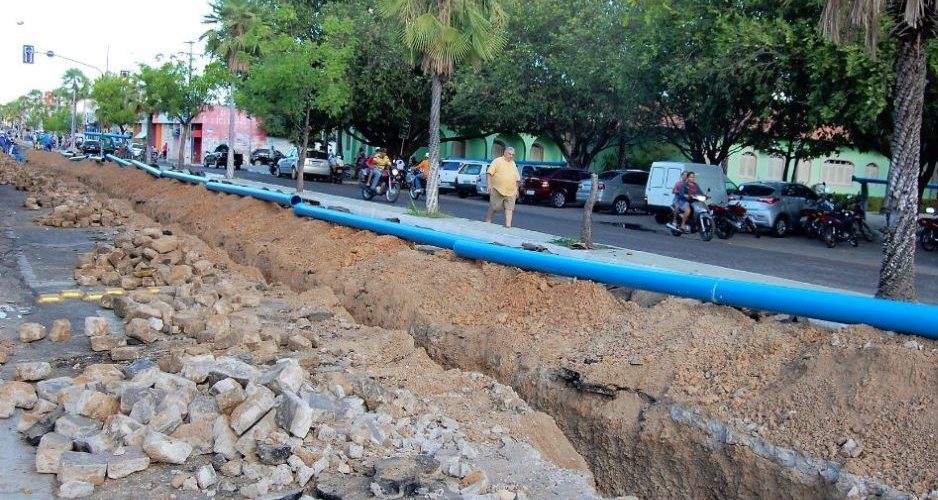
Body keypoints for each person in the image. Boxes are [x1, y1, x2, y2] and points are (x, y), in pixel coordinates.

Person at [484, 147, 521, 228]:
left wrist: (517, 189)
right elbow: (489, 173)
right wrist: (489, 185)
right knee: (494, 207)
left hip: (511, 190)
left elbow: (517, 178)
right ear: (505, 153)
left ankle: (508, 226)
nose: (511, 156)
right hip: (497, 189)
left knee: (509, 208)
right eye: (509, 154)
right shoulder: (497, 161)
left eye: (513, 155)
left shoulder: (513, 163)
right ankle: (487, 222)